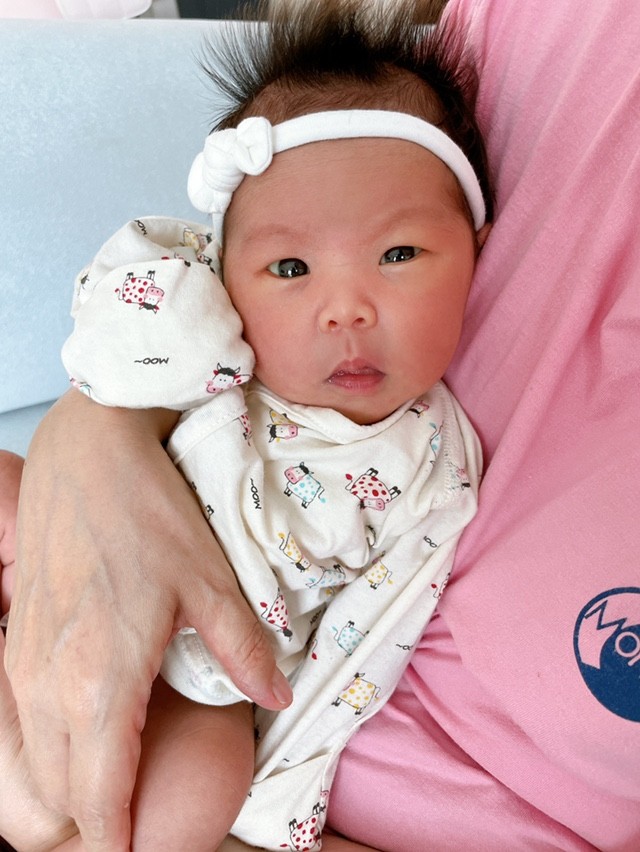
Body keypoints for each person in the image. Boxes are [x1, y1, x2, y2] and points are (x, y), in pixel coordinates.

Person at [4, 0, 640, 849]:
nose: (345, 309)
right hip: (89, 535)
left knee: (191, 801)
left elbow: (373, 629)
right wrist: (103, 422)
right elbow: (117, 316)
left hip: (213, 668)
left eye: (398, 255)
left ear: (481, 250)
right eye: (291, 267)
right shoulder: (215, 334)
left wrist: (289, 774)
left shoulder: (437, 465)